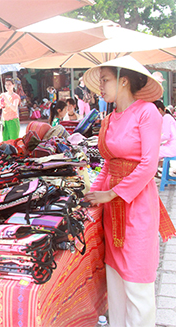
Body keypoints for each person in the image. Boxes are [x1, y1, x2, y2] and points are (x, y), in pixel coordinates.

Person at [83, 56, 176, 327]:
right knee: (116, 285)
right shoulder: (110, 118)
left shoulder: (147, 112)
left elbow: (149, 165)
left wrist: (110, 194)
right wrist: (92, 196)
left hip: (138, 208)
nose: (100, 86)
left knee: (138, 284)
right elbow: (108, 165)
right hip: (112, 211)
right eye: (99, 81)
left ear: (123, 81)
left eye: (105, 80)